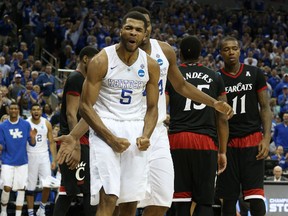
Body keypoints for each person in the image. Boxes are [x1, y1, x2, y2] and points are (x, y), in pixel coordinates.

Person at [127, 7, 233, 216]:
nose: (140, 31)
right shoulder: (116, 56)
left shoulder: (165, 51)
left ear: (149, 29)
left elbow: (182, 85)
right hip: (129, 126)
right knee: (127, 198)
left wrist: (214, 103)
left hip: (158, 132)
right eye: (133, 27)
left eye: (144, 26)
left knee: (162, 199)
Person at [56, 11, 161, 216]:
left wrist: (146, 135)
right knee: (109, 196)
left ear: (145, 35)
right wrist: (108, 138)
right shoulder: (101, 60)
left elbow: (152, 108)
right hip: (105, 128)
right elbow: (86, 107)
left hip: (135, 127)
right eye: (129, 28)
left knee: (130, 202)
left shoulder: (150, 65)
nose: (133, 33)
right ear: (121, 30)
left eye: (138, 30)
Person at [166, 35, 229, 215]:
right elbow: (222, 117)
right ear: (201, 54)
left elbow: (162, 110)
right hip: (205, 141)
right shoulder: (215, 76)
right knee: (204, 201)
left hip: (177, 139)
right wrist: (222, 151)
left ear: (180, 54)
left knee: (181, 200)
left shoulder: (173, 76)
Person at [215, 36, 272, 216]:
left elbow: (265, 107)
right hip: (228, 143)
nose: (231, 52)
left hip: (252, 140)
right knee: (228, 200)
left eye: (235, 48)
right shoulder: (217, 78)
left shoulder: (255, 73)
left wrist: (267, 137)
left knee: (255, 198)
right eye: (226, 49)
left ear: (240, 51)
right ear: (220, 53)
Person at [53, 46, 99, 216]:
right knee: (76, 191)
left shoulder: (84, 80)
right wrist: (76, 145)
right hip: (76, 140)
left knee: (76, 190)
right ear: (85, 59)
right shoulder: (76, 78)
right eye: (95, 60)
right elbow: (71, 114)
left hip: (83, 140)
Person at [0, 102, 37, 216]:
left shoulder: (25, 125)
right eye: (11, 108)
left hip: (22, 161)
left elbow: (32, 144)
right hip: (7, 161)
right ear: (8, 110)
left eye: (16, 108)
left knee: (21, 189)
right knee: (7, 187)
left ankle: (18, 214)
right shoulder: (2, 126)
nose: (14, 110)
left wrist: (32, 138)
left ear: (18, 110)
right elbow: (2, 145)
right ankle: (3, 211)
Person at [26, 103, 57, 216]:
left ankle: (42, 208)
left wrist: (54, 159)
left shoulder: (46, 123)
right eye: (33, 110)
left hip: (44, 156)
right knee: (30, 186)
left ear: (41, 111)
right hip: (30, 156)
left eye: (38, 110)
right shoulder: (26, 123)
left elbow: (52, 142)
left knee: (47, 184)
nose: (36, 112)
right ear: (31, 112)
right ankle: (30, 212)